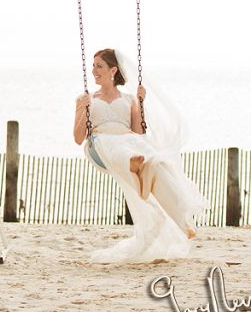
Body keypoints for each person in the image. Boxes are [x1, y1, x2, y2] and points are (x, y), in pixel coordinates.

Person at [73, 47, 206, 262]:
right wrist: (84, 112)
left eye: (99, 66)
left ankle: (182, 221)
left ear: (113, 70)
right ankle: (133, 164)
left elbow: (138, 132)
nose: (93, 71)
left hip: (129, 139)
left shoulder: (129, 100)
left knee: (159, 165)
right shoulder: (84, 99)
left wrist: (141, 104)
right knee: (122, 150)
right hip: (101, 141)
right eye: (93, 66)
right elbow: (79, 137)